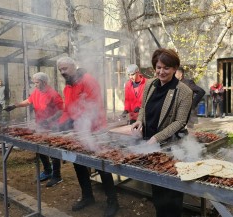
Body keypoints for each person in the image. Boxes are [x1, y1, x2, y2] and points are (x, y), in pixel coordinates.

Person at [131, 48, 193, 217]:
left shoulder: (184, 91)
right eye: (158, 67)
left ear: (174, 68)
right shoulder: (150, 84)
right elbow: (143, 106)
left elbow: (180, 121)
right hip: (150, 145)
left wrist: (157, 137)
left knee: (172, 192)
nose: (161, 71)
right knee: (157, 189)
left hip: (172, 146)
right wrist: (139, 120)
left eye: (166, 67)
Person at [55, 56, 119, 217]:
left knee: (101, 165)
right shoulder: (67, 87)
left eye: (65, 68)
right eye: (60, 70)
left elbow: (94, 108)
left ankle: (112, 201)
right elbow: (67, 110)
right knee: (79, 164)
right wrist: (61, 123)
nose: (62, 72)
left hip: (96, 131)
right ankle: (87, 196)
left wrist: (76, 122)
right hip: (79, 132)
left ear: (73, 66)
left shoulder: (88, 80)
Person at [3, 72, 64, 187]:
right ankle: (47, 171)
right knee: (39, 148)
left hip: (52, 127)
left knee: (53, 151)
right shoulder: (36, 92)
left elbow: (61, 111)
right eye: (34, 82)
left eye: (37, 82)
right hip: (40, 125)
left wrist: (49, 120)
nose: (35, 85)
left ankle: (57, 176)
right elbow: (29, 101)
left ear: (44, 82)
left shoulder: (53, 94)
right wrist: (15, 105)